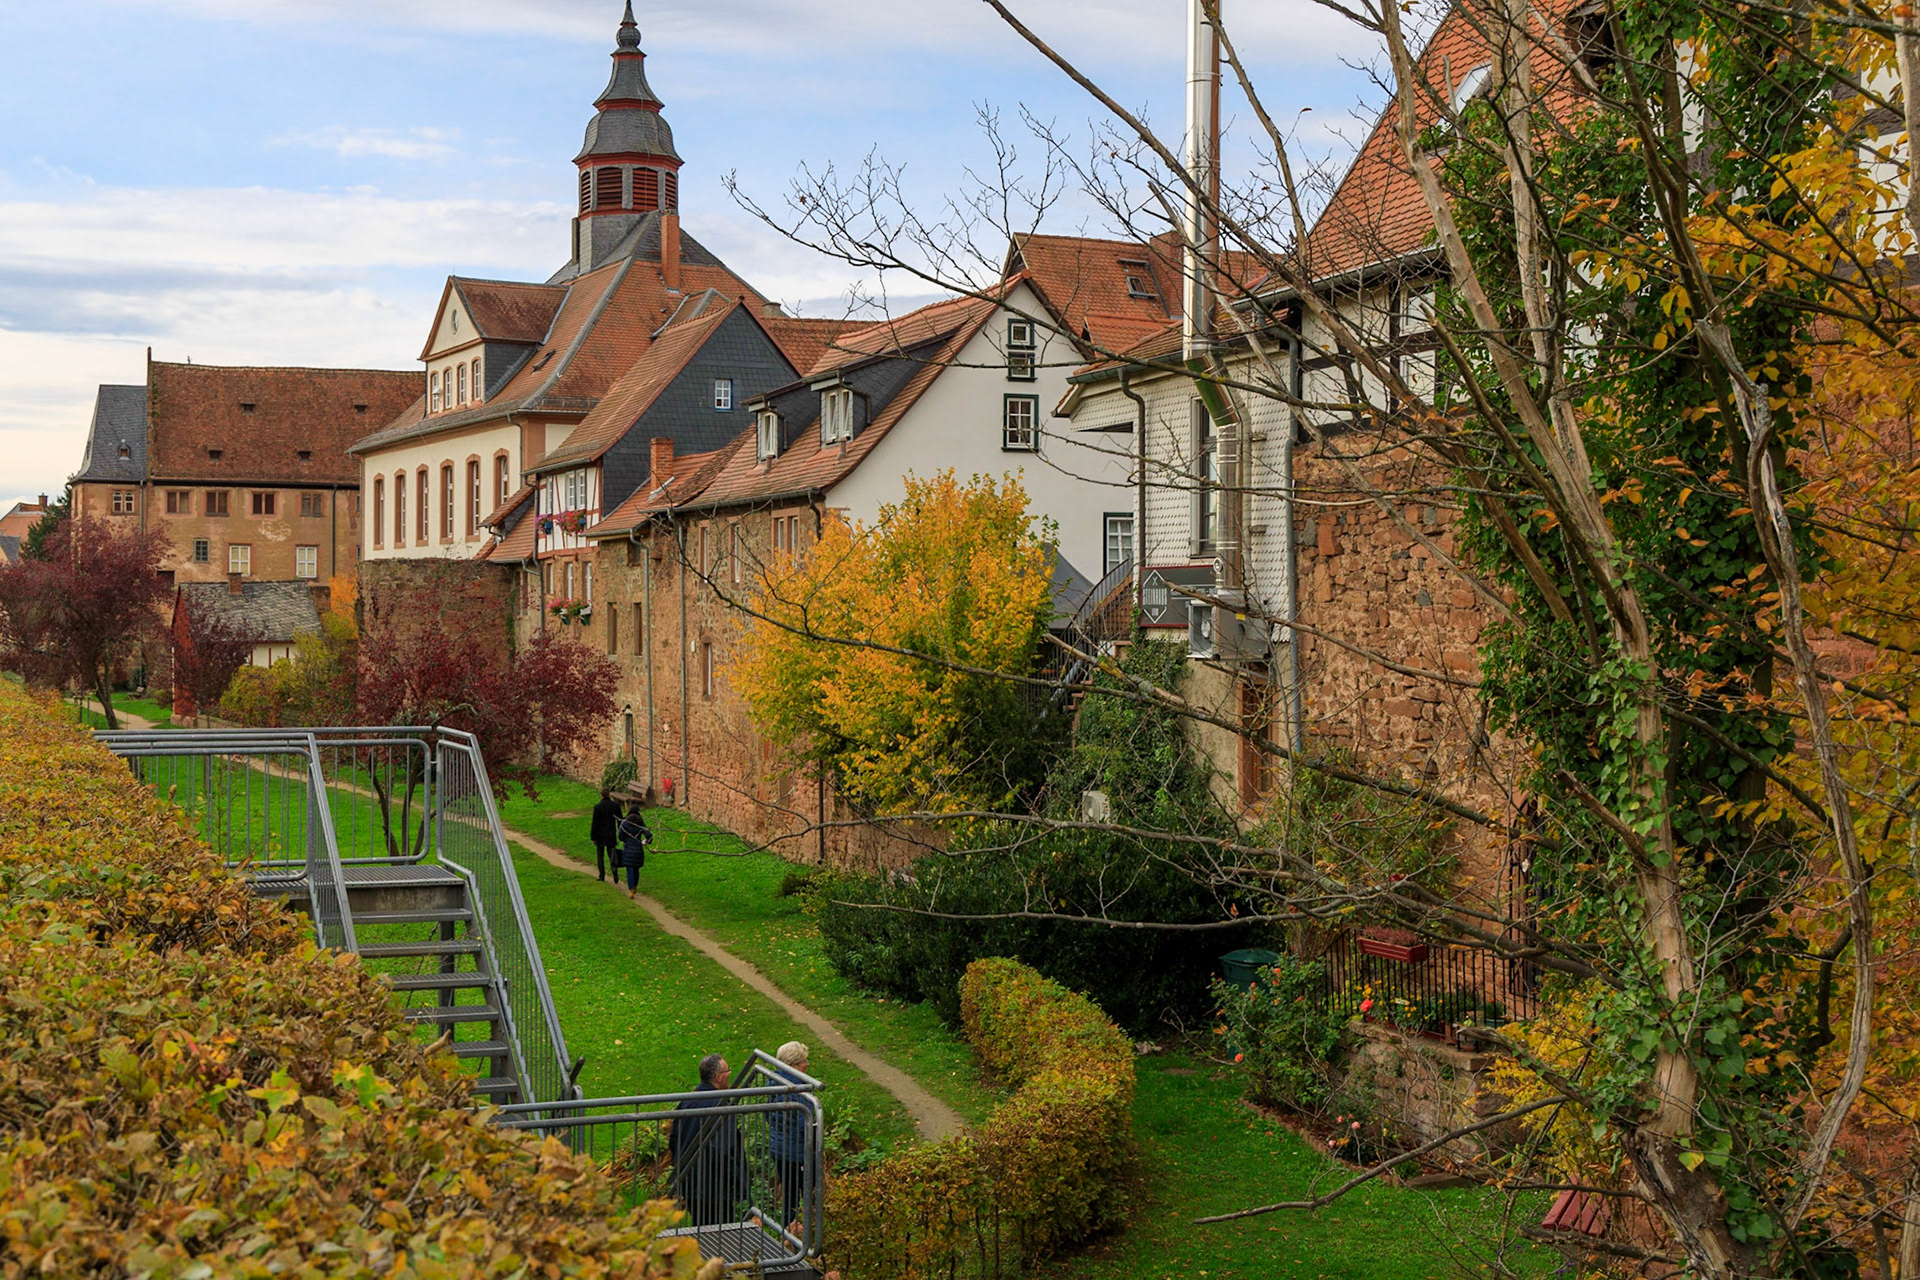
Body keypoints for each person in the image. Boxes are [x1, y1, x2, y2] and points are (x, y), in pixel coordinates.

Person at [668, 1053, 747, 1228]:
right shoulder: (721, 1105)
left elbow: (673, 1139)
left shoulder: (687, 1101)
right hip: (716, 1186)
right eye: (728, 1071)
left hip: (691, 1181)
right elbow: (726, 1149)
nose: (731, 1074)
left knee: (700, 1228)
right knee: (721, 1233)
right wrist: (735, 1181)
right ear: (719, 1077)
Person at [769, 1041, 813, 1234]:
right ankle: (795, 1232)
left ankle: (792, 1230)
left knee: (789, 1190)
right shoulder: (795, 1090)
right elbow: (805, 1123)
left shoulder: (773, 1082)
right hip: (796, 1152)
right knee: (800, 1192)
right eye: (804, 1061)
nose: (807, 1065)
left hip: (779, 1147)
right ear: (794, 1065)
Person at [617, 800, 653, 897]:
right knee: (636, 869)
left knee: (630, 870)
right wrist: (646, 841)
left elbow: (620, 836)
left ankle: (631, 889)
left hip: (628, 849)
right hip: (638, 849)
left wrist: (626, 839)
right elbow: (649, 835)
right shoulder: (640, 823)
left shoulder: (625, 823)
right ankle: (635, 885)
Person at [589, 788, 622, 882]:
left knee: (600, 856)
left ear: (601, 796)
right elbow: (620, 820)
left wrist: (593, 837)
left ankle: (601, 875)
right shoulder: (615, 806)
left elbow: (594, 823)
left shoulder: (598, 807)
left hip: (600, 835)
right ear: (609, 795)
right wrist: (620, 832)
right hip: (611, 833)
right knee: (612, 855)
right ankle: (614, 871)